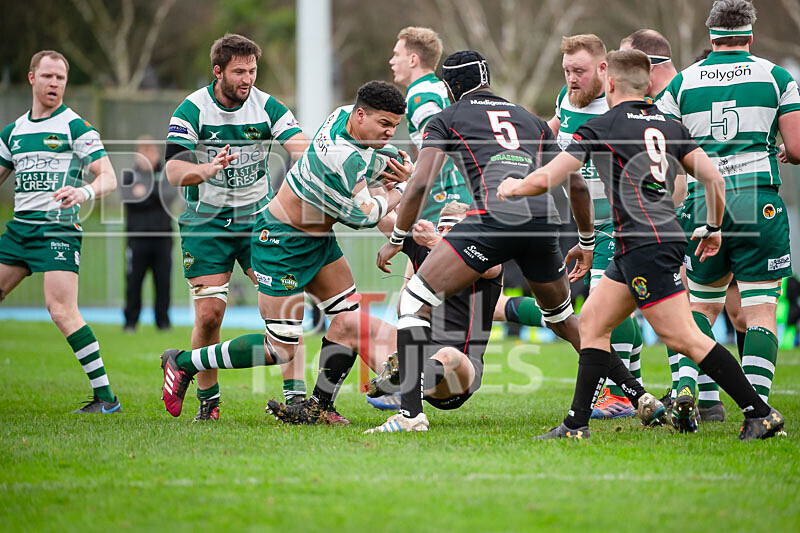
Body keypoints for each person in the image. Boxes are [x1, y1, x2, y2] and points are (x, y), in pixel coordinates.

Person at [498, 49, 784, 441]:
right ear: (648, 84)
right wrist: (713, 227)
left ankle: (761, 413)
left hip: (644, 245)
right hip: (644, 242)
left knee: (685, 337)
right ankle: (575, 424)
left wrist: (514, 186)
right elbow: (714, 180)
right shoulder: (670, 125)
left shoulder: (603, 125)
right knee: (594, 326)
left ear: (610, 83)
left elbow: (553, 176)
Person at [366, 50, 656, 434]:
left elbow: (420, 183)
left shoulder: (447, 117)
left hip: (494, 219)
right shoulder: (531, 119)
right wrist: (586, 240)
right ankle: (640, 396)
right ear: (487, 80)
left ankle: (410, 416)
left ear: (450, 88)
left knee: (414, 300)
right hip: (542, 224)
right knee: (563, 318)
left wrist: (399, 238)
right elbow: (577, 184)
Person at [161, 81, 412, 424]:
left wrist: (388, 165)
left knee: (349, 320)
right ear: (361, 114)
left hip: (318, 242)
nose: (389, 132)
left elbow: (364, 164)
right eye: (385, 124)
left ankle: (319, 406)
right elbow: (362, 216)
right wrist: (400, 187)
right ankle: (184, 362)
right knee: (279, 348)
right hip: (281, 242)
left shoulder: (342, 118)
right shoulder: (342, 155)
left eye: (395, 126)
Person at [656, 0, 800, 428]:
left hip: (704, 202)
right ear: (751, 34)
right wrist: (781, 153)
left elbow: (662, 153)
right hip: (758, 199)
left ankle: (687, 386)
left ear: (711, 35)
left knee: (699, 306)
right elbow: (795, 148)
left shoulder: (681, 84)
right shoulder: (777, 76)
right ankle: (754, 410)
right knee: (758, 310)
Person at [163, 33, 309, 421]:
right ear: (218, 71)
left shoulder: (268, 107)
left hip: (257, 219)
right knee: (209, 315)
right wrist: (206, 169)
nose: (247, 79)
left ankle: (297, 399)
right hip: (207, 223)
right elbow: (174, 171)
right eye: (239, 72)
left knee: (285, 303)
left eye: (253, 71)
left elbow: (302, 149)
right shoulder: (191, 109)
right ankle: (208, 403)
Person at [0, 50, 120, 413]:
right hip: (20, 230)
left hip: (58, 230)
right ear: (32, 78)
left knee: (61, 310)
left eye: (61, 78)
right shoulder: (13, 132)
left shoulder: (75, 127)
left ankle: (106, 398)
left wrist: (82, 192)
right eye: (48, 76)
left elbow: (109, 178)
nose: (54, 83)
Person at [621, 31, 726, 424]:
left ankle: (725, 399)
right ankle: (713, 399)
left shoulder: (669, 99)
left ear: (644, 65)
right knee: (723, 306)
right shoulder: (698, 81)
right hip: (748, 197)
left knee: (683, 306)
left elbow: (677, 174)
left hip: (699, 208)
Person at [548, 34, 645, 420]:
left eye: (580, 71)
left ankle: (623, 394)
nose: (573, 79)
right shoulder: (565, 97)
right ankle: (632, 388)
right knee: (616, 309)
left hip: (621, 222)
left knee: (601, 309)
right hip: (589, 221)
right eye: (567, 70)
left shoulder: (619, 106)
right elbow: (552, 129)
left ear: (604, 70)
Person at [389, 27, 472, 222]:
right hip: (464, 189)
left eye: (396, 54)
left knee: (421, 248)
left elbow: (438, 148)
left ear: (412, 60)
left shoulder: (420, 97)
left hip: (443, 196)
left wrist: (411, 186)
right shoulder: (443, 89)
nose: (392, 61)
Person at [121, 136, 177, 331]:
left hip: (163, 239)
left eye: (151, 152)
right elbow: (130, 198)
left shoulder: (166, 174)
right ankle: (130, 322)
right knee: (133, 282)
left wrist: (144, 191)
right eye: (143, 152)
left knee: (163, 283)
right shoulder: (129, 175)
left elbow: (169, 195)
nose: (147, 156)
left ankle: (163, 322)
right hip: (137, 239)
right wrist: (154, 194)